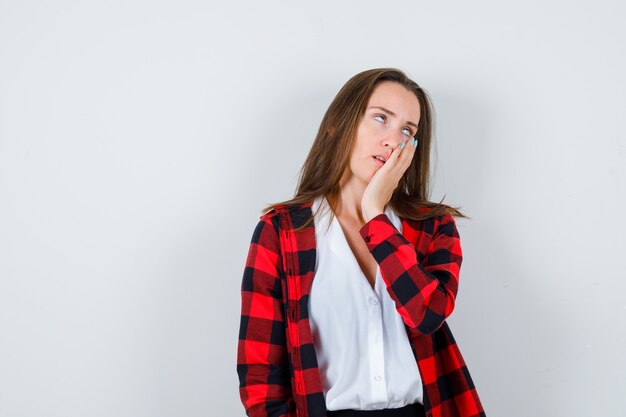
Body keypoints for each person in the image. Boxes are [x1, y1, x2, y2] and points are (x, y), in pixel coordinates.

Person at [236, 68, 486, 417]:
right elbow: (260, 376)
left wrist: (375, 216)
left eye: (407, 131)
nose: (392, 140)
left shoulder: (432, 226)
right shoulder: (281, 233)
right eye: (380, 118)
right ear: (338, 124)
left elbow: (427, 314)